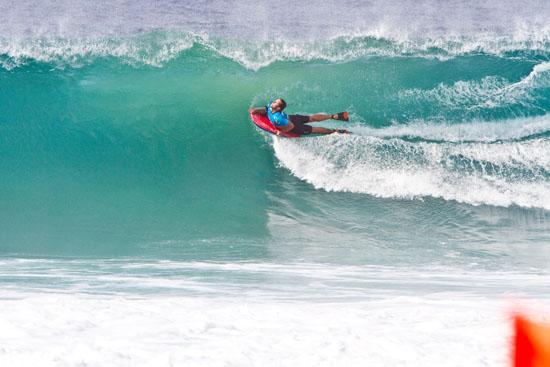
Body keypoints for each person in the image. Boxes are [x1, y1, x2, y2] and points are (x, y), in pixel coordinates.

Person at [248, 98, 349, 136]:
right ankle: (334, 116)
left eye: (275, 102)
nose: (272, 102)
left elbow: (290, 126)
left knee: (314, 129)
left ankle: (335, 131)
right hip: (293, 117)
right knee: (311, 118)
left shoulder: (278, 118)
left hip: (294, 125)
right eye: (274, 101)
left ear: (278, 108)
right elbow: (266, 109)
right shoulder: (270, 106)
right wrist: (256, 110)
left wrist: (282, 132)